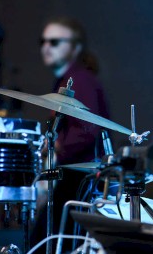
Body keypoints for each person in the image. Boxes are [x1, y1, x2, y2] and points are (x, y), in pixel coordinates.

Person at [31, 17, 110, 251]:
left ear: (75, 47)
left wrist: (54, 146)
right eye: (42, 41)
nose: (46, 46)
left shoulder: (79, 81)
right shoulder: (70, 79)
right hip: (75, 177)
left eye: (54, 41)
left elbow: (87, 132)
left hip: (78, 180)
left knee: (45, 241)